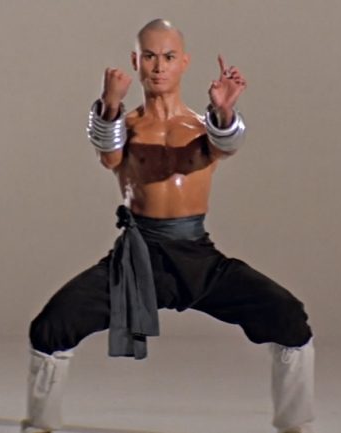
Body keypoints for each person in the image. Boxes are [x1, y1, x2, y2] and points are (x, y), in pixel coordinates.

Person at [23, 18, 315, 433]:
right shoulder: (125, 125)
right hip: (137, 259)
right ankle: (40, 425)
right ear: (136, 61)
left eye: (169, 56)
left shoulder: (201, 127)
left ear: (184, 63)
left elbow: (226, 143)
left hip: (197, 258)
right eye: (150, 56)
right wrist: (109, 104)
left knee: (288, 317)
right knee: (53, 325)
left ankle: (296, 425)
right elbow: (108, 155)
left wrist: (224, 110)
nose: (159, 66)